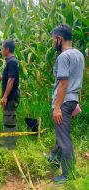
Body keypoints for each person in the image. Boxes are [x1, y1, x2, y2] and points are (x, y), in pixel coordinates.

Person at [49, 24, 85, 183]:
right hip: (72, 99)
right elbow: (78, 80)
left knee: (64, 137)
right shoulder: (79, 54)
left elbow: (63, 83)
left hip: (63, 101)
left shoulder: (63, 57)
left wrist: (57, 107)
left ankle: (67, 175)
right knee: (61, 130)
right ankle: (54, 158)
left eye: (53, 40)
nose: (52, 43)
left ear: (59, 39)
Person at [0, 39, 20, 149]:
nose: (1, 50)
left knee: (10, 119)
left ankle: (10, 145)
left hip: (11, 97)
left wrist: (5, 97)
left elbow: (11, 80)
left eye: (2, 48)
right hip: (10, 96)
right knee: (8, 118)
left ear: (7, 49)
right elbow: (8, 78)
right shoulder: (9, 61)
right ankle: (8, 141)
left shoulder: (12, 62)